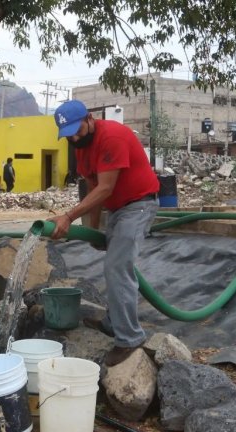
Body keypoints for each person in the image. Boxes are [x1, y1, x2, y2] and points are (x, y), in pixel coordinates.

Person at [49, 100, 159, 367]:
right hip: (117, 209)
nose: (74, 138)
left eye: (77, 130)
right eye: (68, 135)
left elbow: (106, 187)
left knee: (117, 267)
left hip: (138, 205)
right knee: (113, 265)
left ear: (89, 119)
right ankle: (113, 322)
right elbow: (92, 186)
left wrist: (68, 216)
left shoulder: (112, 136)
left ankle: (129, 340)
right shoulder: (82, 147)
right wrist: (91, 230)